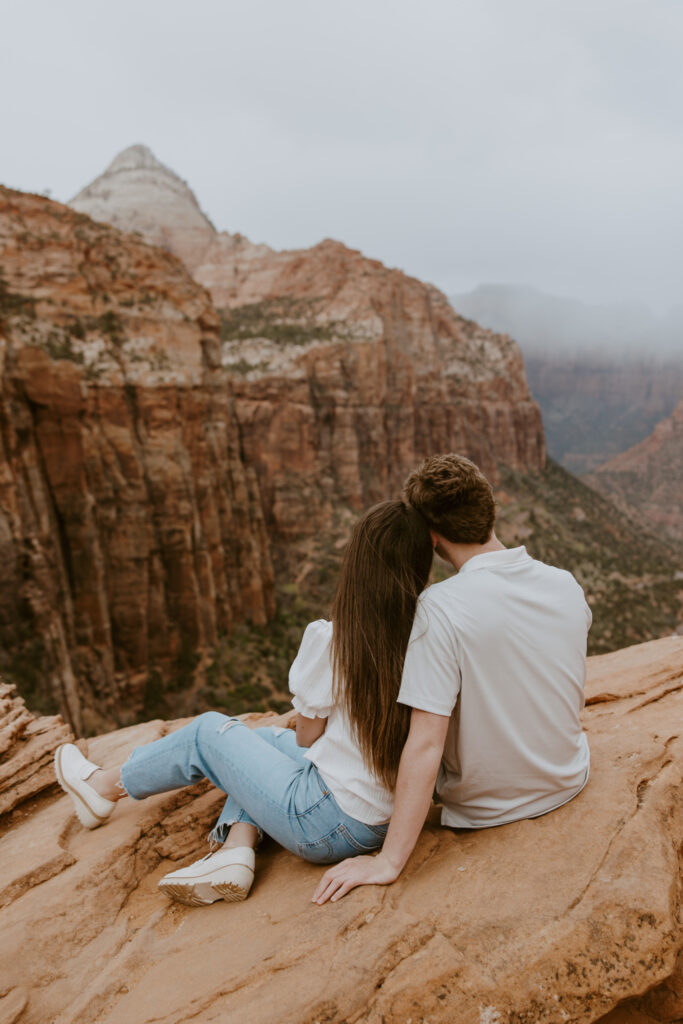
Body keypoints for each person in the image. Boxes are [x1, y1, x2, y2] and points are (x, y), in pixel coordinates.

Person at [54, 500, 433, 907]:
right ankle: (236, 849)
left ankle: (104, 788)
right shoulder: (431, 633)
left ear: (358, 564)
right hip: (378, 818)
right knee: (264, 740)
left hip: (322, 821)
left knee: (207, 732)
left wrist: (309, 720)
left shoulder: (337, 640)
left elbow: (307, 739)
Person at [312, 453, 591, 904]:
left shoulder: (440, 609)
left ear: (432, 538)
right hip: (569, 779)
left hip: (490, 809)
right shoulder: (565, 584)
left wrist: (388, 862)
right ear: (490, 512)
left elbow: (425, 744)